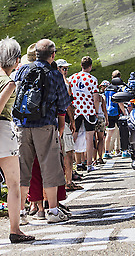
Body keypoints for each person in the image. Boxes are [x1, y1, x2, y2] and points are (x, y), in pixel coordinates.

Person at [14, 38, 71, 224]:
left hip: (22, 125)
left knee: (23, 168)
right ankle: (53, 211)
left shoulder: (23, 70)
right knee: (50, 166)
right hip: (45, 125)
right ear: (53, 55)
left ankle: (21, 212)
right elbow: (63, 102)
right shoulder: (54, 74)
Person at [0, 37, 35, 244]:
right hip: (2, 130)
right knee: (13, 183)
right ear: (15, 59)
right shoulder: (9, 81)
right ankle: (15, 230)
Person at [69, 56, 100, 173]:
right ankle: (89, 164)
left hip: (76, 110)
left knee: (74, 136)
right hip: (89, 110)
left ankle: (74, 163)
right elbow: (96, 98)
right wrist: (96, 111)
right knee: (89, 137)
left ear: (81, 65)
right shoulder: (92, 79)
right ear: (90, 66)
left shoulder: (72, 78)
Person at [55, 59, 82, 191]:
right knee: (68, 152)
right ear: (58, 68)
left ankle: (66, 180)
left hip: (57, 121)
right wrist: (72, 121)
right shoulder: (63, 84)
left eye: (66, 69)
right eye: (63, 69)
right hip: (62, 120)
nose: (66, 71)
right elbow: (68, 105)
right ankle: (68, 181)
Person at [103, 72, 124, 159]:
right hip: (117, 112)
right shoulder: (118, 89)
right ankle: (125, 151)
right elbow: (120, 102)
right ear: (119, 77)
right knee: (122, 131)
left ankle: (106, 152)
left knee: (109, 133)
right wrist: (124, 112)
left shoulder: (107, 89)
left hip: (108, 112)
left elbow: (104, 100)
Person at [94, 83, 109, 164]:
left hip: (91, 117)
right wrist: (107, 119)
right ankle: (100, 157)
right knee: (100, 139)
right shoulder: (100, 97)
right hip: (100, 117)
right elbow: (104, 109)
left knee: (93, 139)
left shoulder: (88, 96)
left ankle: (93, 159)